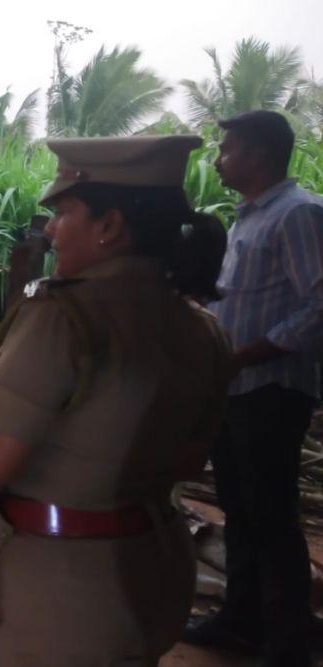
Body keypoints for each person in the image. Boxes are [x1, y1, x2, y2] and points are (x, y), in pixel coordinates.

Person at [0, 135, 232, 666]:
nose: (50, 230)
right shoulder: (204, 329)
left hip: (61, 586)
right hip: (156, 563)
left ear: (109, 226)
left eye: (64, 213)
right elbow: (190, 460)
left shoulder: (65, 318)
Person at [184, 110, 323, 667]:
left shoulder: (298, 213)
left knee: (271, 516)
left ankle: (288, 645)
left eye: (227, 149)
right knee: (241, 509)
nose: (218, 160)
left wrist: (243, 355)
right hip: (237, 386)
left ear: (259, 155)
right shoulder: (249, 218)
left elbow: (318, 307)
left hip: (270, 388)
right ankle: (241, 622)